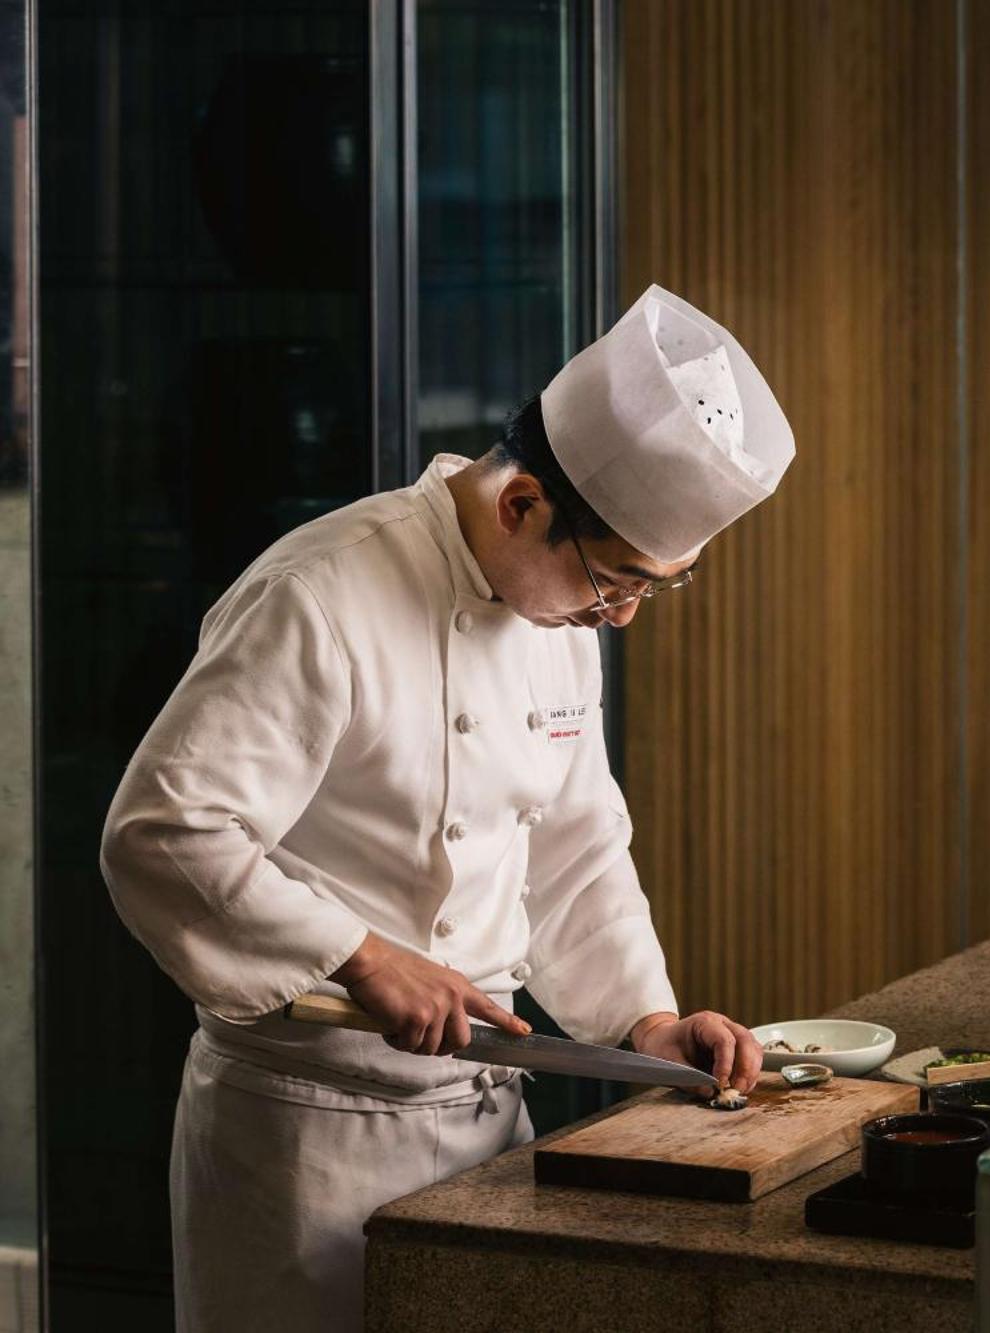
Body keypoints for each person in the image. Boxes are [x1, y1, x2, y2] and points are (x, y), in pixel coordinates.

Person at [99, 285, 793, 1331]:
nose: (623, 615)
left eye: (654, 588)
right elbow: (162, 830)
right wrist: (358, 952)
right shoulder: (320, 594)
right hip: (303, 1139)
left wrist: (642, 1020)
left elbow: (572, 849)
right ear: (522, 506)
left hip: (483, 1131)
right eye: (617, 582)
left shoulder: (555, 617)